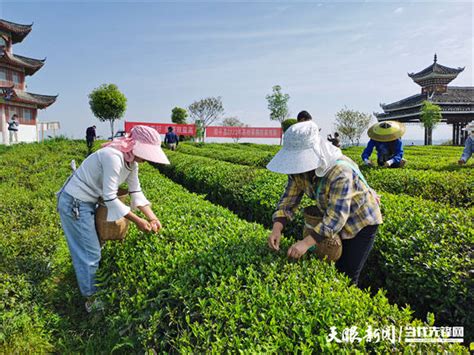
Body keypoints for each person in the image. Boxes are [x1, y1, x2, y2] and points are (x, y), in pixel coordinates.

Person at [56, 125, 170, 312]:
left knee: (92, 247)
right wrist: (139, 222)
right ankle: (91, 300)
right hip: (75, 203)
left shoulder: (131, 162)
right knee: (89, 252)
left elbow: (136, 191)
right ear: (135, 145)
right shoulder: (113, 157)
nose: (146, 159)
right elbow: (110, 196)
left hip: (89, 201)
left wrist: (152, 217)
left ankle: (89, 287)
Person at [266, 121, 382, 286]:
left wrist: (305, 243)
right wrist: (277, 228)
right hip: (334, 217)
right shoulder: (297, 172)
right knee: (332, 267)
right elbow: (288, 199)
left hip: (360, 221)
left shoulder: (339, 172)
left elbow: (336, 217)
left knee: (346, 275)